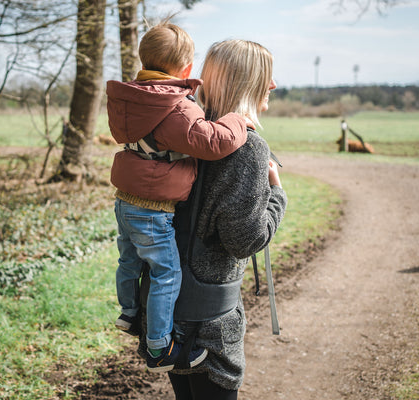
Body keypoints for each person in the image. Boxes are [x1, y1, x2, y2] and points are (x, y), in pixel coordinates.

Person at [137, 39, 287, 399]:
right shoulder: (247, 147)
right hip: (209, 323)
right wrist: (277, 196)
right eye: (267, 76)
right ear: (248, 82)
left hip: (164, 310)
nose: (274, 84)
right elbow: (245, 240)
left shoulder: (188, 131)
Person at [106, 21, 249, 373]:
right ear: (186, 68)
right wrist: (237, 120)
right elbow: (213, 142)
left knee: (129, 261)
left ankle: (128, 313)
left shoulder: (130, 99)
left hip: (126, 200)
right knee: (165, 273)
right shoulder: (174, 107)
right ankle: (158, 347)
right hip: (153, 209)